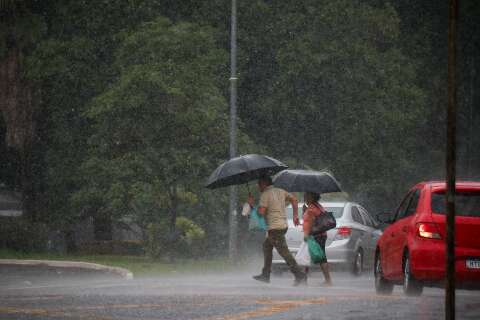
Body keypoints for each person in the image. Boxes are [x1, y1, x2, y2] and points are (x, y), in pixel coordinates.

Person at [247, 175, 307, 286]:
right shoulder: (281, 191)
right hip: (282, 225)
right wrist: (295, 216)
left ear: (264, 183)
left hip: (274, 228)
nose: (258, 186)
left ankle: (300, 275)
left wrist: (251, 205)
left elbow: (260, 213)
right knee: (266, 246)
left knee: (284, 252)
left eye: (259, 184)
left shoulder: (265, 194)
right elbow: (294, 199)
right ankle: (266, 274)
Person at [302, 192, 332, 286]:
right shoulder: (318, 206)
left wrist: (306, 234)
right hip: (320, 235)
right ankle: (303, 279)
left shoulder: (311, 208)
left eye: (306, 196)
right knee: (308, 256)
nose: (304, 197)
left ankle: (328, 281)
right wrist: (305, 211)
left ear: (312, 197)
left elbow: (310, 222)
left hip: (315, 235)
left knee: (319, 258)